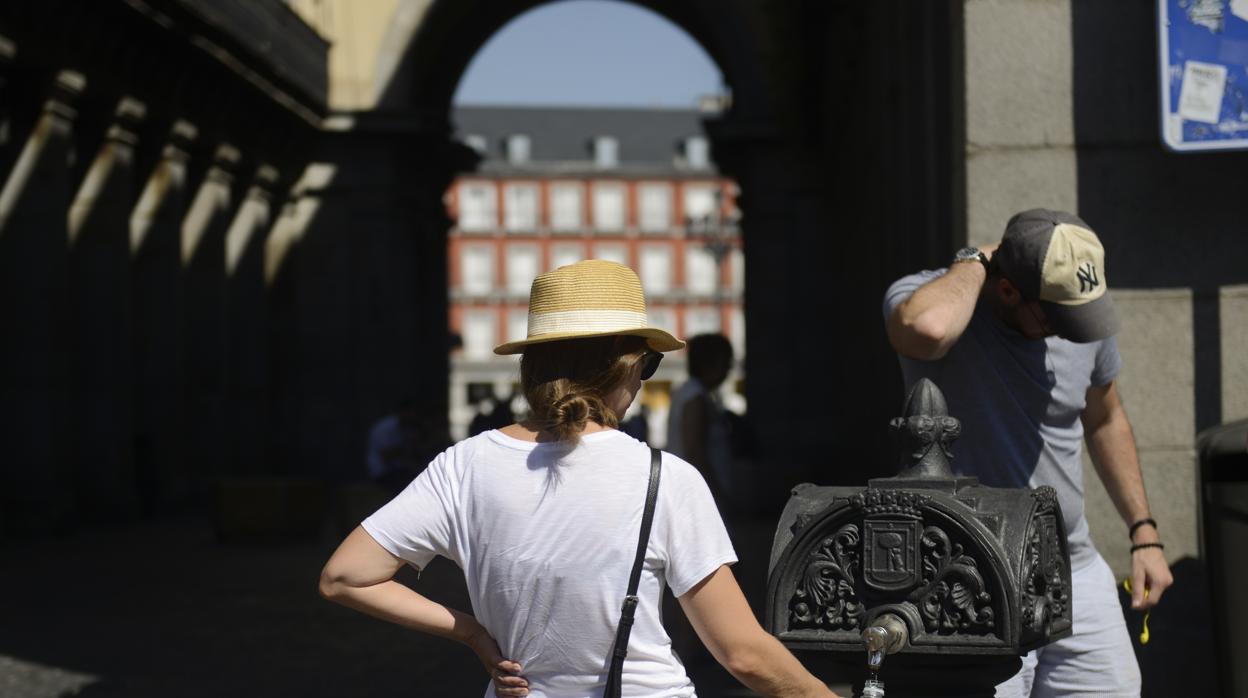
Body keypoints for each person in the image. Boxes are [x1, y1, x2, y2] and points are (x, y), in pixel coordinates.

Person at [321, 260, 836, 698]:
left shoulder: (465, 464)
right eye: (648, 363)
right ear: (624, 366)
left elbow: (344, 577)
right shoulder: (665, 478)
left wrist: (474, 634)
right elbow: (743, 654)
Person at [883, 209, 1173, 697]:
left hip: (1073, 569)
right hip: (973, 580)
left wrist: (1143, 532)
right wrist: (976, 260)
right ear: (1008, 290)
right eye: (1055, 315)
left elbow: (1104, 417)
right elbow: (928, 330)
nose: (1070, 331)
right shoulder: (930, 295)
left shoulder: (1076, 312)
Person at [666, 333, 735, 504]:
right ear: (710, 363)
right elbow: (694, 451)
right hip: (702, 497)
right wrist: (715, 493)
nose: (729, 369)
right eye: (726, 362)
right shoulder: (695, 396)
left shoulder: (692, 393)